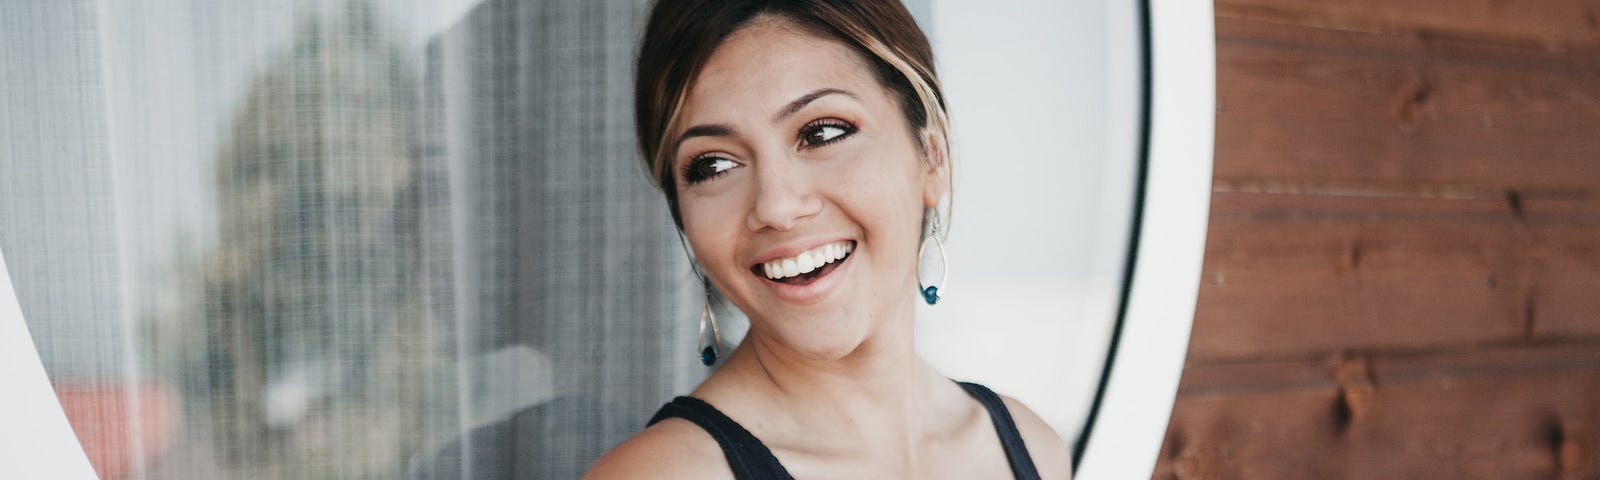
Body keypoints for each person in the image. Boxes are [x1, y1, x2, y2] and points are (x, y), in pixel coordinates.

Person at [587, 0, 1070, 478]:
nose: (775, 206)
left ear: (932, 157)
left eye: (821, 133)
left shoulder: (1033, 448)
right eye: (714, 165)